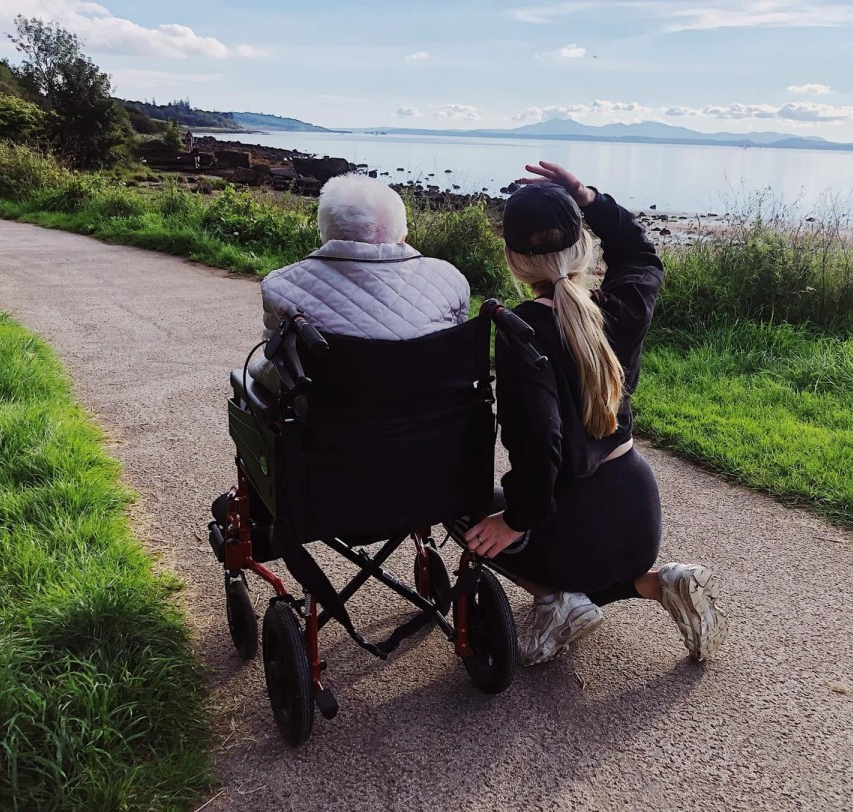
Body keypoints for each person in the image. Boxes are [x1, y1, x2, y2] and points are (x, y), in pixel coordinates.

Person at [464, 161, 725, 666]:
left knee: (464, 511)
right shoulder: (622, 306)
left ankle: (557, 601)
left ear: (513, 260)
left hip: (575, 528)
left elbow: (539, 443)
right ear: (583, 246)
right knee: (589, 559)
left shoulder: (521, 331)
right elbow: (642, 255)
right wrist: (588, 198)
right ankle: (659, 583)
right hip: (637, 514)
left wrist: (515, 520)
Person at [249, 173, 470, 390]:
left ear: (324, 237)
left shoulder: (281, 287)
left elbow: (278, 367)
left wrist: (253, 370)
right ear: (403, 238)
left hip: (333, 412)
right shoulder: (451, 279)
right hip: (438, 408)